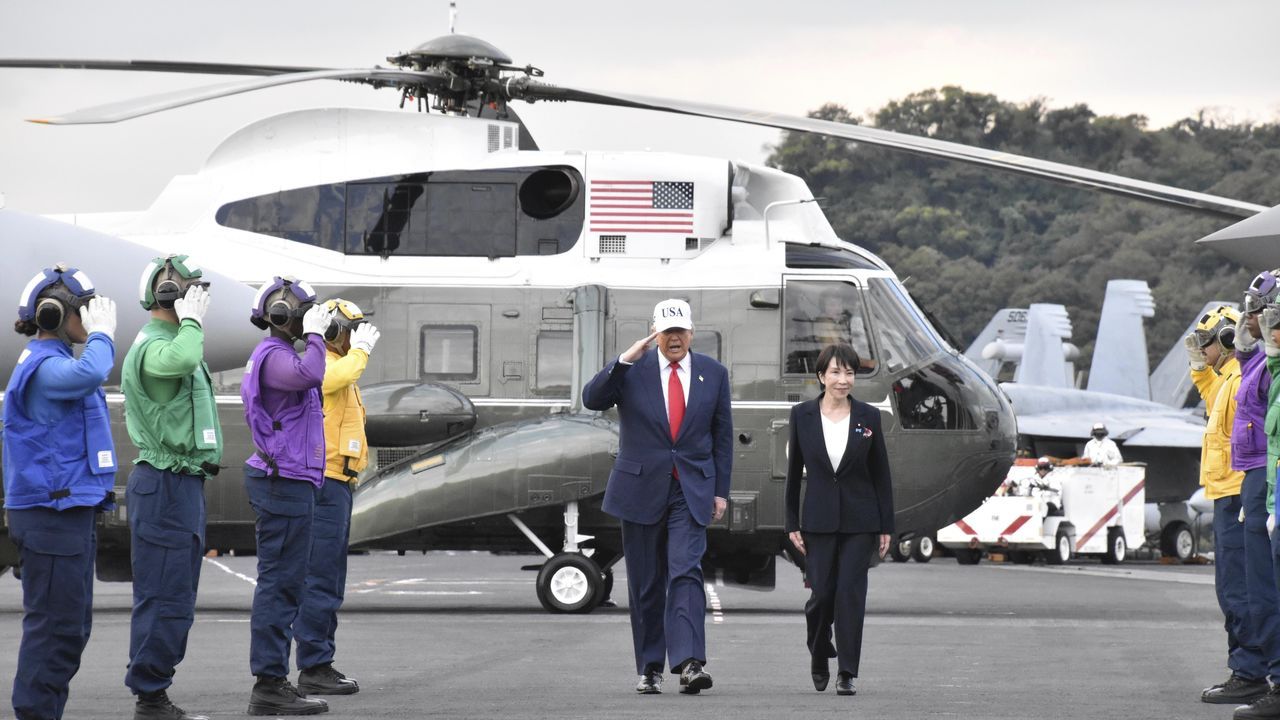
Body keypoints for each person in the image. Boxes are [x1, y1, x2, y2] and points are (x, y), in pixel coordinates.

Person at [582, 298, 732, 696]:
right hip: (639, 489)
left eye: (680, 330)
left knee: (686, 571)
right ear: (655, 333)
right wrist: (623, 360)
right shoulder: (632, 371)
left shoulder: (714, 374)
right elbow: (591, 399)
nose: (674, 338)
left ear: (691, 332)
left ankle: (690, 663)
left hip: (690, 489)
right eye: (667, 332)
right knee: (646, 584)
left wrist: (720, 491)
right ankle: (650, 668)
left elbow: (722, 437)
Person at [3, 264, 117, 720]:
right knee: (54, 630)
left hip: (67, 511)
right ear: (53, 313)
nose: (90, 319)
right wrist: (102, 334)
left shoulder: (55, 361)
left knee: (69, 629)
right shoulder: (47, 367)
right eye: (83, 311)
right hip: (51, 516)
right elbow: (93, 371)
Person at [120, 255, 219, 720]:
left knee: (176, 595)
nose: (199, 299)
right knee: (165, 596)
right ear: (167, 294)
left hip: (180, 484)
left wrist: (190, 323)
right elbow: (184, 358)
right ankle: (150, 696)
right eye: (190, 290)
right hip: (164, 485)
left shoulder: (170, 339)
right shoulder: (156, 345)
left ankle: (154, 692)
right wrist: (192, 321)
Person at [241, 276, 334, 716]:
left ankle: (274, 680)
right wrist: (315, 336)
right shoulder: (276, 356)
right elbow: (312, 373)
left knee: (287, 583)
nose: (310, 323)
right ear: (283, 316)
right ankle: (269, 683)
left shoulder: (280, 354)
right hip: (282, 482)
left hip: (292, 479)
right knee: (279, 584)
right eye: (305, 315)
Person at [784, 343, 893, 697]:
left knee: (849, 594)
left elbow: (881, 474)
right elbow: (793, 473)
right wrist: (791, 522)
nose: (843, 379)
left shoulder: (869, 417)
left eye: (849, 373)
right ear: (821, 376)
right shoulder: (801, 415)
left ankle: (847, 671)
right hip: (817, 520)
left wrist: (886, 525)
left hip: (861, 520)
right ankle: (819, 648)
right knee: (821, 595)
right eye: (835, 372)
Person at [293, 299, 379, 697]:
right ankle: (314, 665)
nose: (356, 338)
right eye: (351, 330)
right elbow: (335, 377)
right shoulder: (322, 364)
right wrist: (361, 351)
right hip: (323, 483)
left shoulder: (341, 366)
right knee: (320, 578)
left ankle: (320, 661)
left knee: (330, 578)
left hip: (338, 483)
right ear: (332, 331)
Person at [1185, 306, 1264, 705]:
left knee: (1238, 590)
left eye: (1206, 343)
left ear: (1228, 339)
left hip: (1236, 495)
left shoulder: (1239, 379)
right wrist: (1200, 368)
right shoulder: (1231, 378)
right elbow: (1211, 395)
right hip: (1227, 493)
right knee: (1232, 588)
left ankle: (1250, 672)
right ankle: (1249, 668)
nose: (1202, 349)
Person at [1232, 271, 1280, 720]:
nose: (1249, 316)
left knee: (1266, 585)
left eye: (1260, 309)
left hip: (1267, 472)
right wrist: (1247, 348)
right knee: (1257, 586)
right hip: (1259, 473)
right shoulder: (1263, 363)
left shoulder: (1272, 365)